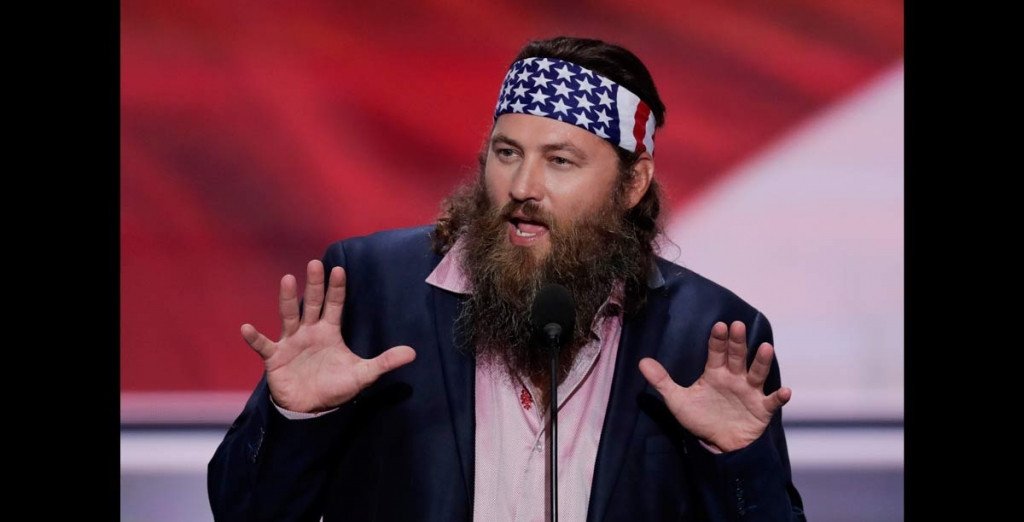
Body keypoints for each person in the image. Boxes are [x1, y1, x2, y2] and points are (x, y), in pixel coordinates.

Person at [207, 35, 807, 522]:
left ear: (632, 183)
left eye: (560, 160)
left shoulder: (710, 336)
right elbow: (243, 511)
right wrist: (296, 422)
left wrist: (735, 461)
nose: (523, 187)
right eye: (507, 152)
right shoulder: (371, 290)